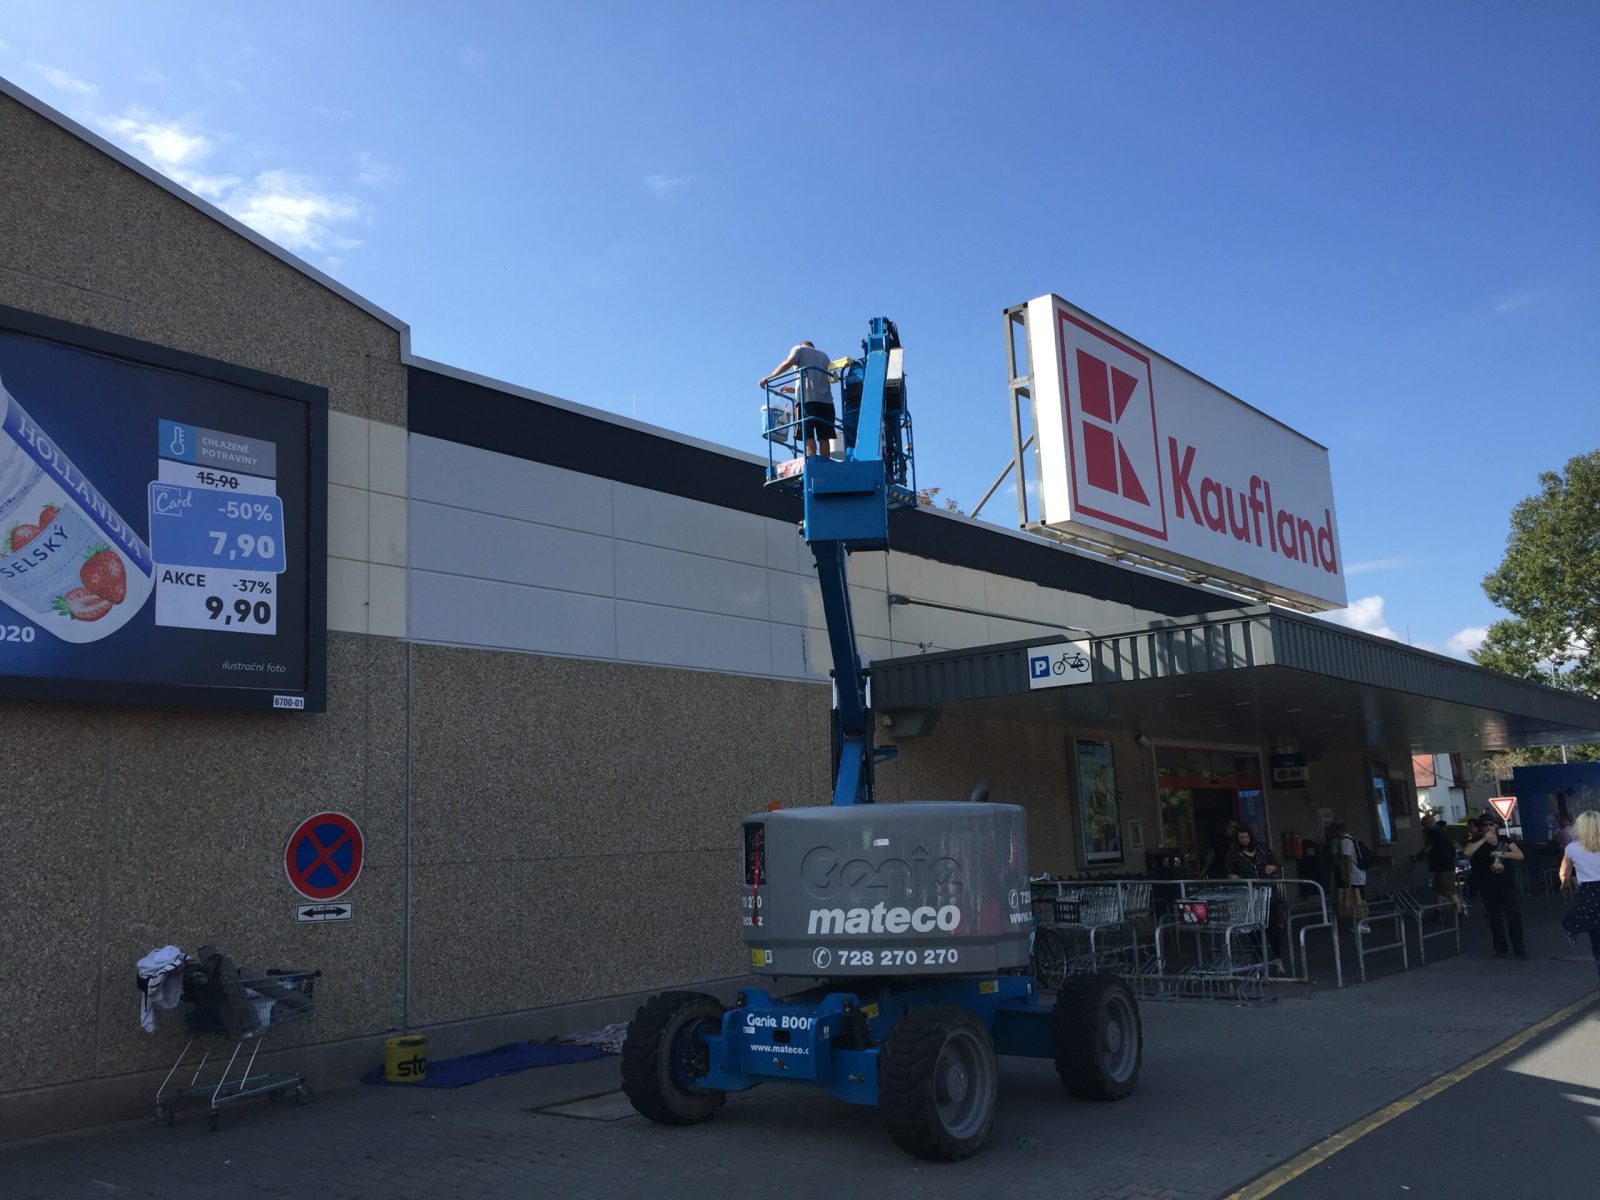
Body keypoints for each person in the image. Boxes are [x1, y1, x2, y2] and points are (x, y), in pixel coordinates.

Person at [1464, 818, 1527, 959]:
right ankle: (1501, 948)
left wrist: (1502, 854)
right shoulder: (1476, 840)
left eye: (1491, 824)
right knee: (1495, 916)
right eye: (1485, 825)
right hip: (1488, 884)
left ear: (1495, 826)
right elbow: (1467, 852)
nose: (1488, 827)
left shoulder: (1504, 839)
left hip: (1506, 882)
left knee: (1513, 914)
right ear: (1481, 828)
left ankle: (1519, 948)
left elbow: (1520, 855)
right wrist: (1483, 840)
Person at [759, 341, 835, 459]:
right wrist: (794, 390)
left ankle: (812, 462)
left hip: (806, 402)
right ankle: (825, 463)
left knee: (808, 435)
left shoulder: (799, 349)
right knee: (824, 437)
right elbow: (818, 382)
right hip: (826, 403)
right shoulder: (825, 357)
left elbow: (789, 362)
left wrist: (770, 377)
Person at [1226, 824, 1286, 966]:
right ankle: (1260, 959)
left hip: (1268, 894)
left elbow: (1277, 863)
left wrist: (1273, 867)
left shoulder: (1261, 848)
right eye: (1241, 838)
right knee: (1253, 929)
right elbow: (1228, 870)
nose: (1244, 840)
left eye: (1246, 837)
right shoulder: (1233, 854)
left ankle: (1278, 959)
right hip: (1249, 895)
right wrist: (1232, 876)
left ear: (1250, 837)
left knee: (1273, 928)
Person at [1558, 811, 1600, 985]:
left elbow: (1564, 873)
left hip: (1590, 897)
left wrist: (1564, 885)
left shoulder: (1572, 849)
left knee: (1597, 941)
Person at [1417, 814, 1468, 917]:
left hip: (1441, 866)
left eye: (1424, 824)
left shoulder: (1433, 833)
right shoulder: (1444, 833)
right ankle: (1438, 910)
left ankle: (1459, 911)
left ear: (1429, 823)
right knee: (1439, 889)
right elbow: (1452, 849)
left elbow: (1428, 848)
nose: (1423, 827)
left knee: (1449, 890)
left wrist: (1418, 857)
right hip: (1448, 864)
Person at [1331, 821, 1371, 934]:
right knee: (1361, 900)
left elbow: (1347, 862)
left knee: (1359, 901)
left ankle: (1364, 925)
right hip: (1360, 874)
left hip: (1354, 876)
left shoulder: (1344, 842)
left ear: (1337, 831)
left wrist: (1347, 879)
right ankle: (1363, 924)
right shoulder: (1352, 839)